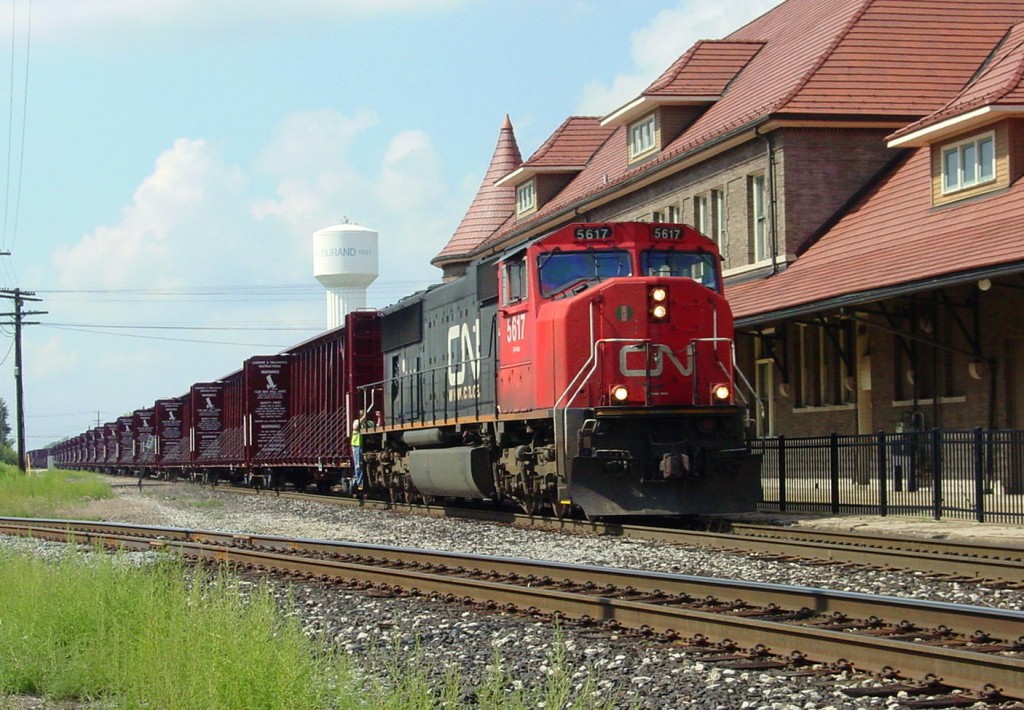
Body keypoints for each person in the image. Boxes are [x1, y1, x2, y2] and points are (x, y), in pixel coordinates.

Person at [351, 411, 366, 491]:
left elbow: (377, 426)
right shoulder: (356, 421)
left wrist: (379, 418)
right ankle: (358, 483)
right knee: (358, 465)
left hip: (363, 446)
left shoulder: (368, 423)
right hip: (356, 445)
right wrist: (363, 418)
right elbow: (355, 427)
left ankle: (360, 481)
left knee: (362, 465)